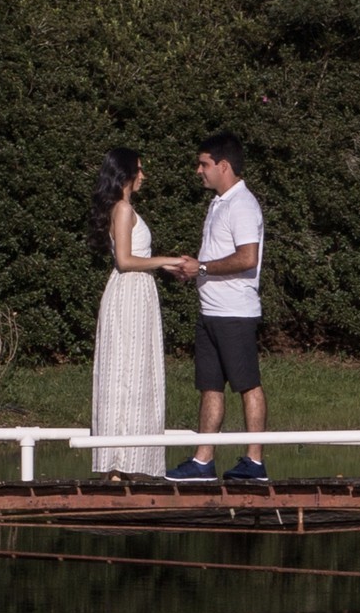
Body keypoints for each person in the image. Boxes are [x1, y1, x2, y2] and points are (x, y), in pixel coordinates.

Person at [165, 131, 268, 482]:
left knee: (247, 384)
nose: (199, 170)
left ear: (223, 166)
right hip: (211, 311)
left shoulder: (242, 204)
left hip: (235, 312)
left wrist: (203, 267)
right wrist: (193, 269)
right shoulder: (220, 203)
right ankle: (203, 460)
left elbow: (247, 257)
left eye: (204, 164)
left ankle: (254, 462)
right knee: (210, 386)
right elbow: (217, 255)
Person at [90, 147, 181, 478]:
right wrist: (165, 260)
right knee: (125, 372)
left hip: (137, 293)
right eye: (138, 170)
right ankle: (119, 464)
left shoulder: (124, 208)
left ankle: (129, 462)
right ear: (124, 173)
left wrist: (163, 266)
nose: (143, 176)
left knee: (135, 371)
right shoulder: (124, 208)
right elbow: (125, 260)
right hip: (129, 292)